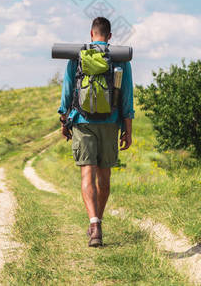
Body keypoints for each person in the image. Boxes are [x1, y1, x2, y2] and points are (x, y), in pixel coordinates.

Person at [58, 16, 134, 247]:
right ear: (109, 37)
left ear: (91, 34)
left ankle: (93, 224)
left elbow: (67, 92)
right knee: (104, 178)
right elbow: (127, 98)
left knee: (86, 175)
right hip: (110, 123)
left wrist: (64, 121)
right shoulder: (120, 60)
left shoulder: (77, 58)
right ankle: (98, 220)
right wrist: (127, 131)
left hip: (83, 121)